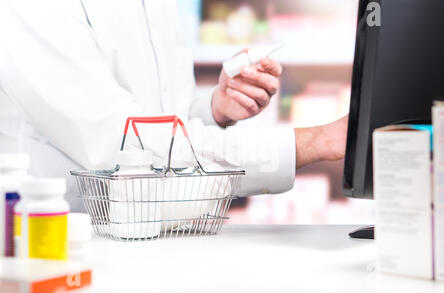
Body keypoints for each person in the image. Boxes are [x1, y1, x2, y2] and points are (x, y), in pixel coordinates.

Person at [0, 0, 348, 208]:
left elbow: (163, 118)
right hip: (68, 249)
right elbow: (127, 147)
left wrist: (213, 110)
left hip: (158, 236)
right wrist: (314, 142)